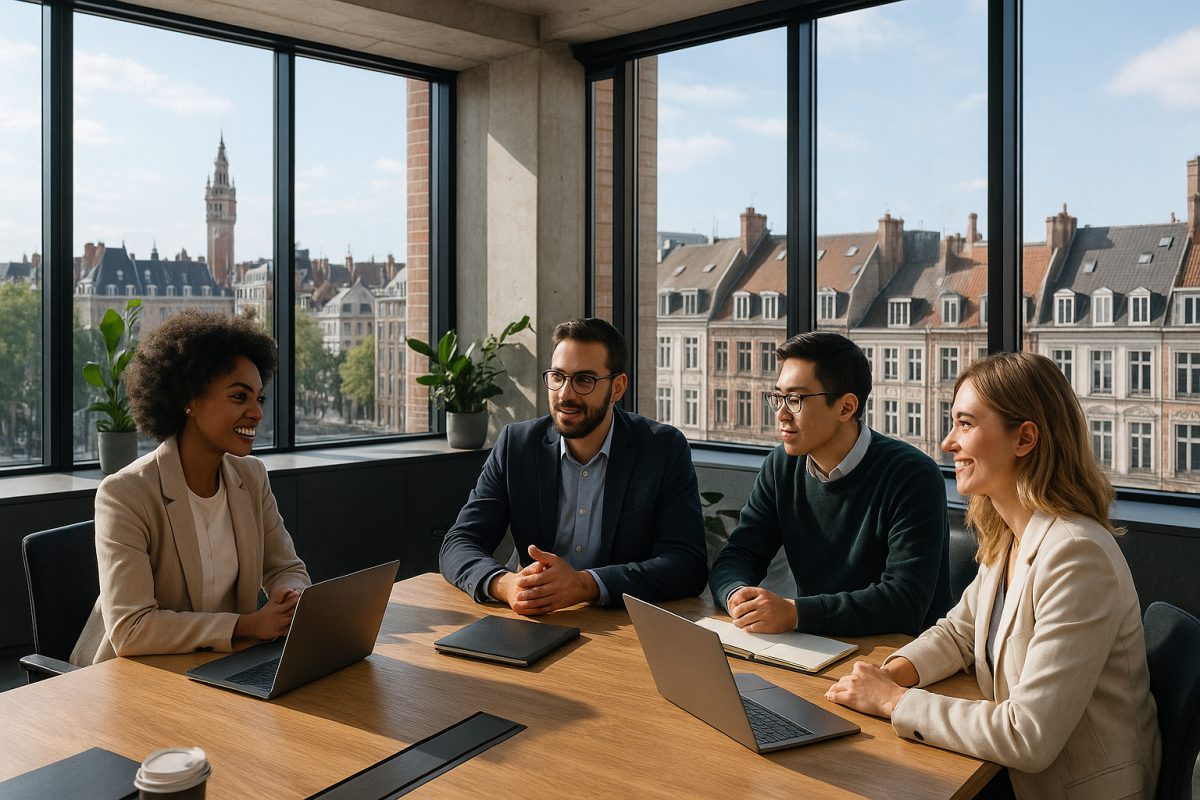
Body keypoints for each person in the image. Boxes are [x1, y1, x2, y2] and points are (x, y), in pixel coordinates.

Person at [825, 352, 1160, 800]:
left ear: (1024, 438)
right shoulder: (1010, 533)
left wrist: (892, 701)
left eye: (965, 424)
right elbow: (960, 632)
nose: (947, 442)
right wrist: (892, 673)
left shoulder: (1078, 556)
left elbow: (1028, 734)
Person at [72, 311, 311, 665]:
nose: (257, 413)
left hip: (216, 667)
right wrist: (245, 626)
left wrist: (289, 597)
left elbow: (284, 567)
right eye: (239, 397)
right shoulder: (125, 493)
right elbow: (131, 628)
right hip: (129, 678)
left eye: (258, 398)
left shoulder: (252, 477)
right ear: (190, 400)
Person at [439, 317, 708, 613]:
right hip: (537, 621)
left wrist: (587, 584)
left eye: (584, 380)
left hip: (622, 628)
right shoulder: (517, 446)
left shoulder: (662, 449)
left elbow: (687, 563)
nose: (565, 394)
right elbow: (459, 542)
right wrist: (504, 584)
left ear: (617, 388)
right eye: (558, 377)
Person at [708, 331, 950, 636]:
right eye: (778, 397)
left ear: (846, 407)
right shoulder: (781, 466)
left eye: (795, 399)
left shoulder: (912, 475)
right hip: (815, 646)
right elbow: (740, 554)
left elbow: (905, 602)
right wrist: (736, 595)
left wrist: (796, 613)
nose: (781, 414)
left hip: (902, 658)